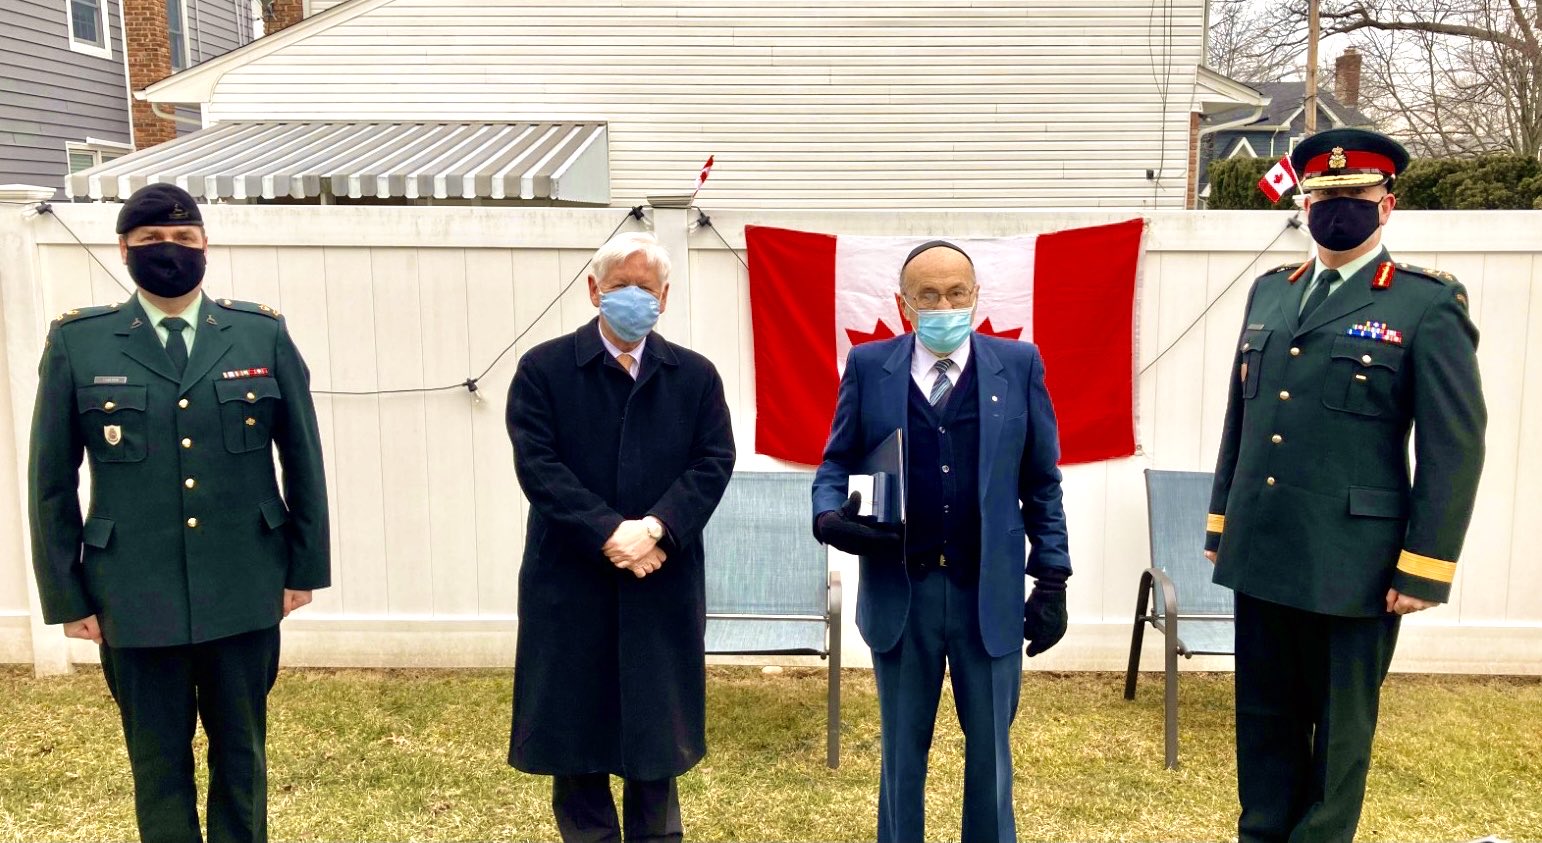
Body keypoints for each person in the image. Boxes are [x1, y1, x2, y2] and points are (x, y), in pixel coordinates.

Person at [1205, 127, 1486, 843]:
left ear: (1386, 204)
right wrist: (1221, 521)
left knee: (1338, 736)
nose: (1336, 209)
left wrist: (1425, 565)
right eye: (1322, 196)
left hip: (1353, 564)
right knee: (1263, 723)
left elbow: (1454, 445)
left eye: (1355, 195)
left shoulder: (1425, 303)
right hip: (1264, 549)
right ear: (1304, 204)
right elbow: (1243, 416)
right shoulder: (1270, 292)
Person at [28, 182, 330, 843]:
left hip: (244, 582)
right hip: (131, 593)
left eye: (184, 238)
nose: (170, 250)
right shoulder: (79, 343)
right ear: (123, 249)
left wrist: (304, 568)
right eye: (151, 240)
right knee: (158, 764)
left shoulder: (260, 334)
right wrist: (66, 594)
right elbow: (50, 482)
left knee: (242, 757)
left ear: (205, 245)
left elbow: (303, 460)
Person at [812, 241, 1071, 843]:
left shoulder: (1019, 365)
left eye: (957, 293)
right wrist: (827, 515)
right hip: (905, 594)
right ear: (904, 303)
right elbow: (835, 462)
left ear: (976, 296)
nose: (945, 306)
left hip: (989, 595)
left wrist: (1053, 576)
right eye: (928, 295)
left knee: (992, 755)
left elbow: (1042, 482)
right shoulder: (869, 367)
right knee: (902, 757)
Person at [505, 230, 736, 843]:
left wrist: (657, 528)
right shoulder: (543, 369)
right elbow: (539, 466)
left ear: (665, 297)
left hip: (661, 576)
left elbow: (713, 461)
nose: (633, 297)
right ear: (593, 291)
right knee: (575, 729)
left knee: (655, 731)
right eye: (619, 286)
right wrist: (610, 532)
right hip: (570, 577)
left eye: (645, 288)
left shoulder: (695, 376)